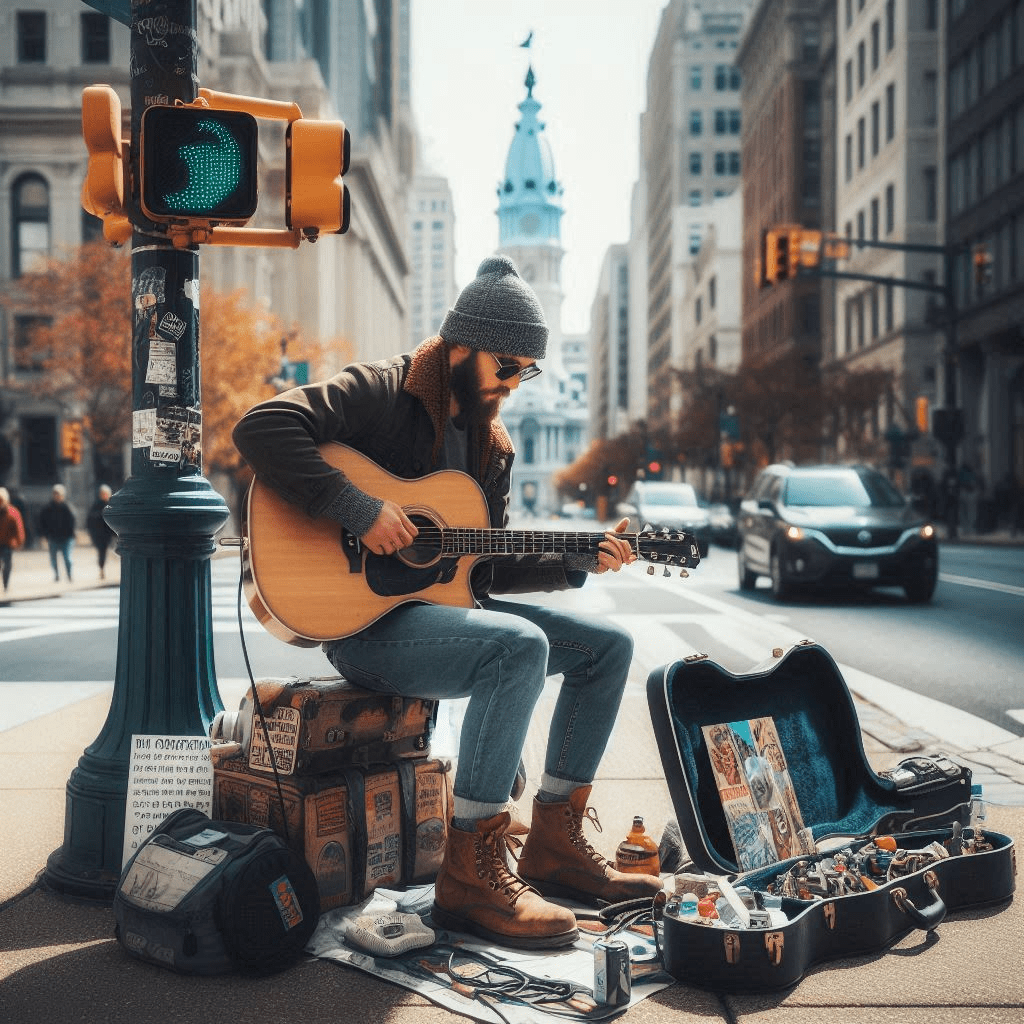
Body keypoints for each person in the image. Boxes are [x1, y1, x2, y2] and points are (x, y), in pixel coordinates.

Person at [233, 255, 664, 950]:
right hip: (363, 626)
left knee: (606, 646)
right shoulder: (383, 391)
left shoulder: (491, 447)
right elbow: (263, 427)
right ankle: (469, 870)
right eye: (506, 364)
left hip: (437, 619)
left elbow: (479, 568)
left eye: (528, 369)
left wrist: (578, 559)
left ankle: (554, 840)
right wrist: (359, 508)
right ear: (461, 347)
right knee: (517, 647)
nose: (515, 383)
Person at [39, 483, 76, 582]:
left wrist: (72, 535)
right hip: (53, 537)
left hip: (66, 538)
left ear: (63, 495)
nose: (57, 496)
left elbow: (72, 523)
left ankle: (69, 575)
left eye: (59, 494)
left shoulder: (68, 508)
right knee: (53, 559)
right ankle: (56, 575)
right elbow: (42, 522)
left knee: (67, 558)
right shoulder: (47, 508)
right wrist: (45, 535)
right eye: (55, 494)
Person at [86, 484, 116, 579]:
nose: (105, 495)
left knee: (113, 551)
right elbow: (90, 519)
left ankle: (110, 570)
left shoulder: (113, 504)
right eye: (103, 494)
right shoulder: (96, 505)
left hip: (111, 533)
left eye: (106, 494)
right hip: (99, 534)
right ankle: (102, 569)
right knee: (102, 552)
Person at [0, 487, 26, 593]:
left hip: (7, 543)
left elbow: (19, 529)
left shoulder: (13, 513)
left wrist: (20, 542)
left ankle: (5, 583)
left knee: (7, 565)